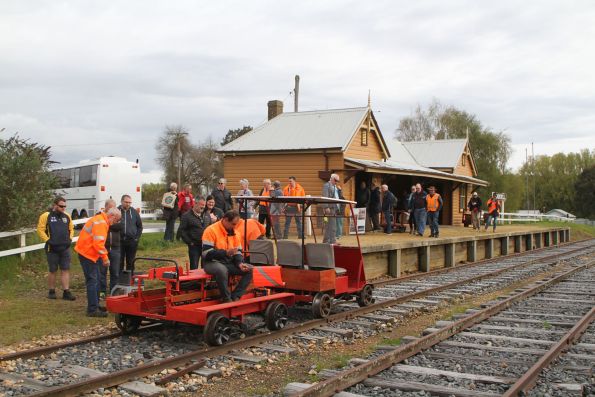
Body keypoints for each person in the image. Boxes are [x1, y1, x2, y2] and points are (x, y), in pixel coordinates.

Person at [75, 208, 122, 317]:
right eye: (116, 220)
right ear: (113, 216)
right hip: (88, 254)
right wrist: (105, 258)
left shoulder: (100, 219)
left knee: (94, 280)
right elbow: (99, 244)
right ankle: (92, 309)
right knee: (93, 281)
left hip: (88, 253)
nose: (115, 223)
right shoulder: (101, 223)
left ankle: (95, 305)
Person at [202, 210, 253, 302]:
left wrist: (240, 263)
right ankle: (226, 299)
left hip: (228, 262)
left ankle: (236, 296)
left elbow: (238, 252)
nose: (235, 226)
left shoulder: (235, 233)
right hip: (211, 262)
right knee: (222, 270)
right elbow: (206, 254)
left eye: (236, 224)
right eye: (233, 224)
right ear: (225, 220)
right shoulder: (211, 230)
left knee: (250, 269)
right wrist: (225, 253)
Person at [37, 196, 76, 301]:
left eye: (64, 206)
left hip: (65, 248)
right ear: (55, 205)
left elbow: (71, 229)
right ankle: (51, 291)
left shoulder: (67, 216)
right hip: (52, 248)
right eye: (61, 206)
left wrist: (70, 239)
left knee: (65, 269)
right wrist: (48, 240)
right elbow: (40, 229)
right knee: (53, 270)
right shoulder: (46, 216)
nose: (63, 208)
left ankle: (66, 292)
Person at [179, 198, 211, 270]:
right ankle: (195, 281)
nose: (203, 206)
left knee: (206, 265)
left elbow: (211, 228)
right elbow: (182, 231)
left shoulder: (207, 214)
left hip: (206, 245)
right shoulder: (186, 216)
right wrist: (189, 242)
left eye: (204, 205)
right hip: (194, 246)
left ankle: (204, 281)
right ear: (195, 204)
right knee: (194, 266)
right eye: (201, 205)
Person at [100, 199, 122, 298]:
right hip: (103, 247)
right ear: (106, 207)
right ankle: (102, 292)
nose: (113, 209)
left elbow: (120, 226)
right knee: (102, 271)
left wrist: (111, 225)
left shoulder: (117, 214)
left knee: (115, 271)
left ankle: (114, 292)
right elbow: (109, 226)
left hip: (115, 247)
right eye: (110, 207)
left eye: (114, 206)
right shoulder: (99, 216)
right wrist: (111, 225)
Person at [118, 194, 143, 274]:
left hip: (132, 242)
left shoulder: (134, 212)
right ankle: (119, 280)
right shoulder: (116, 211)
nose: (128, 204)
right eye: (126, 202)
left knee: (131, 261)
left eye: (130, 202)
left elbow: (140, 226)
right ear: (122, 201)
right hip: (119, 241)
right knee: (119, 262)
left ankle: (130, 280)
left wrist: (136, 238)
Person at [321, 174, 340, 244]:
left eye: (337, 181)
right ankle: (327, 241)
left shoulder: (335, 187)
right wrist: (326, 207)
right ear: (331, 179)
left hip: (334, 208)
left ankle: (332, 240)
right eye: (335, 180)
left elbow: (336, 196)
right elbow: (325, 196)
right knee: (328, 225)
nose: (336, 182)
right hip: (329, 208)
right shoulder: (326, 186)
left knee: (333, 225)